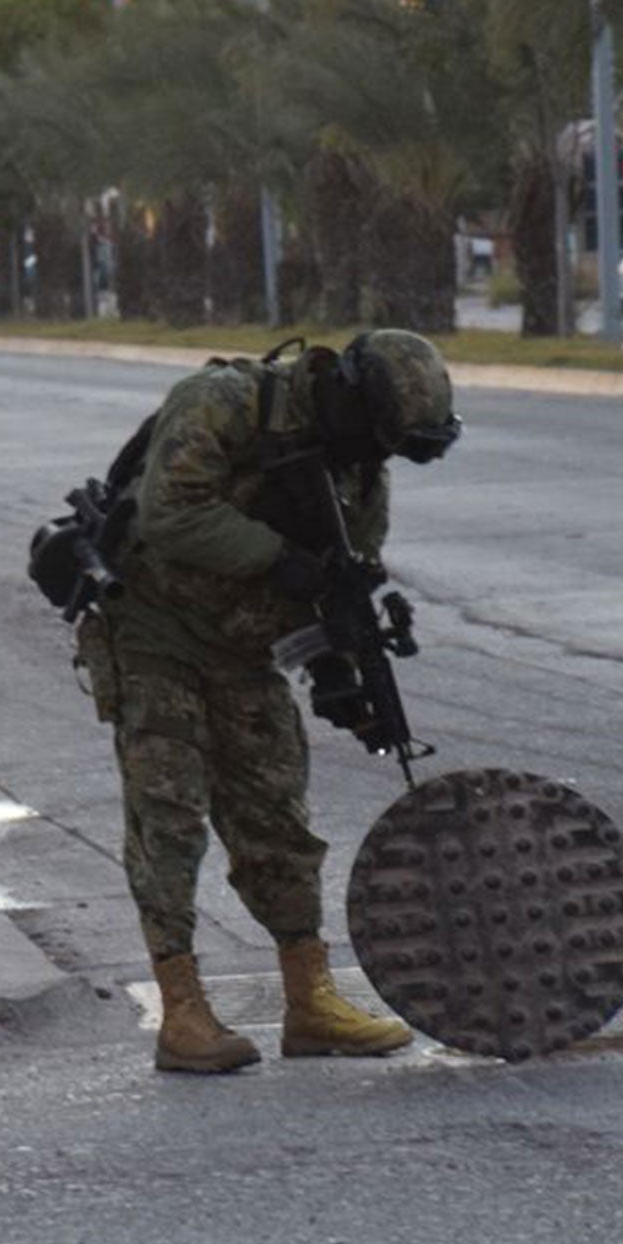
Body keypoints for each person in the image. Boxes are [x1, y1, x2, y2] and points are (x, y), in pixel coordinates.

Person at [76, 330, 460, 1073]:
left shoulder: (357, 470)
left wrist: (342, 671)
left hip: (244, 652)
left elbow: (340, 579)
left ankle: (310, 1003)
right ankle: (183, 1012)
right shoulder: (226, 403)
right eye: (378, 441)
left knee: (277, 819)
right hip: (154, 630)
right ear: (350, 400)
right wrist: (281, 562)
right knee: (170, 816)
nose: (378, 461)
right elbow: (172, 513)